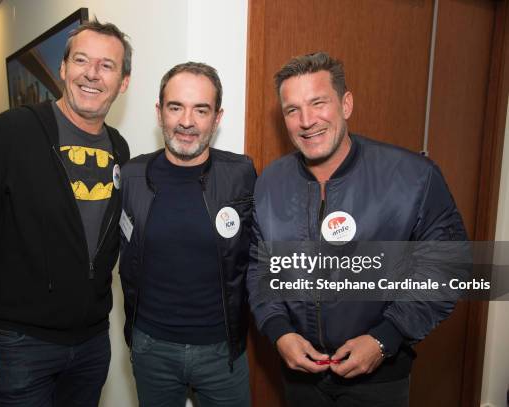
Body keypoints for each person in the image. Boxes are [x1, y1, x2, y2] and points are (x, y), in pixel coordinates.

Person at [247, 52, 467, 406]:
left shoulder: (413, 177)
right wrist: (279, 331)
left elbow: (448, 265)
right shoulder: (269, 182)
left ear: (346, 103)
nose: (307, 121)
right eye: (292, 110)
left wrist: (385, 337)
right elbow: (260, 267)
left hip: (380, 377)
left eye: (318, 103)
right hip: (301, 377)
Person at [0, 20, 132, 406]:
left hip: (93, 342)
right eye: (81, 59)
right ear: (63, 69)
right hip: (22, 345)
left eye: (107, 65)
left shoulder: (120, 148)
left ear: (123, 81)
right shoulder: (11, 133)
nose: (92, 73)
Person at [119, 62, 256, 406]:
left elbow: (261, 257)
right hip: (152, 348)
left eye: (201, 109)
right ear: (159, 111)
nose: (187, 122)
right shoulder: (133, 175)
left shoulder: (242, 174)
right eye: (175, 106)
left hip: (223, 351)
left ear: (217, 117)